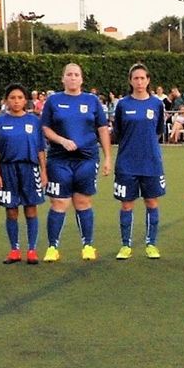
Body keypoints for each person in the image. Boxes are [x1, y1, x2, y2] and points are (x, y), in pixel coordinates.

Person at [40, 62, 112, 262]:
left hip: (86, 159)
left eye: (76, 74)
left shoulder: (92, 100)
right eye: (69, 74)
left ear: (82, 79)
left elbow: (102, 129)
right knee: (59, 202)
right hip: (59, 159)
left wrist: (107, 157)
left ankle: (87, 245)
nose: (73, 78)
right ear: (63, 78)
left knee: (82, 201)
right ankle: (52, 247)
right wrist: (62, 140)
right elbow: (45, 128)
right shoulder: (53, 101)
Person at [110, 63, 166, 260]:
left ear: (148, 80)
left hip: (151, 162)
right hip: (127, 163)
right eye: (136, 78)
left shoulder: (157, 104)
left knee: (151, 202)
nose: (140, 82)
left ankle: (151, 244)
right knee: (126, 204)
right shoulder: (123, 105)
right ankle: (126, 245)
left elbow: (158, 130)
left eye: (143, 78)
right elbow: (118, 132)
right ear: (130, 81)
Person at [0, 83, 47, 264]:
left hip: (29, 169)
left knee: (31, 208)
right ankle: (14, 250)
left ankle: (32, 250)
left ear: (25, 100)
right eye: (12, 98)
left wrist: (44, 171)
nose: (16, 101)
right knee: (11, 210)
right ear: (6, 101)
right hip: (7, 170)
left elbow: (40, 149)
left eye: (20, 98)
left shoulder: (33, 121)